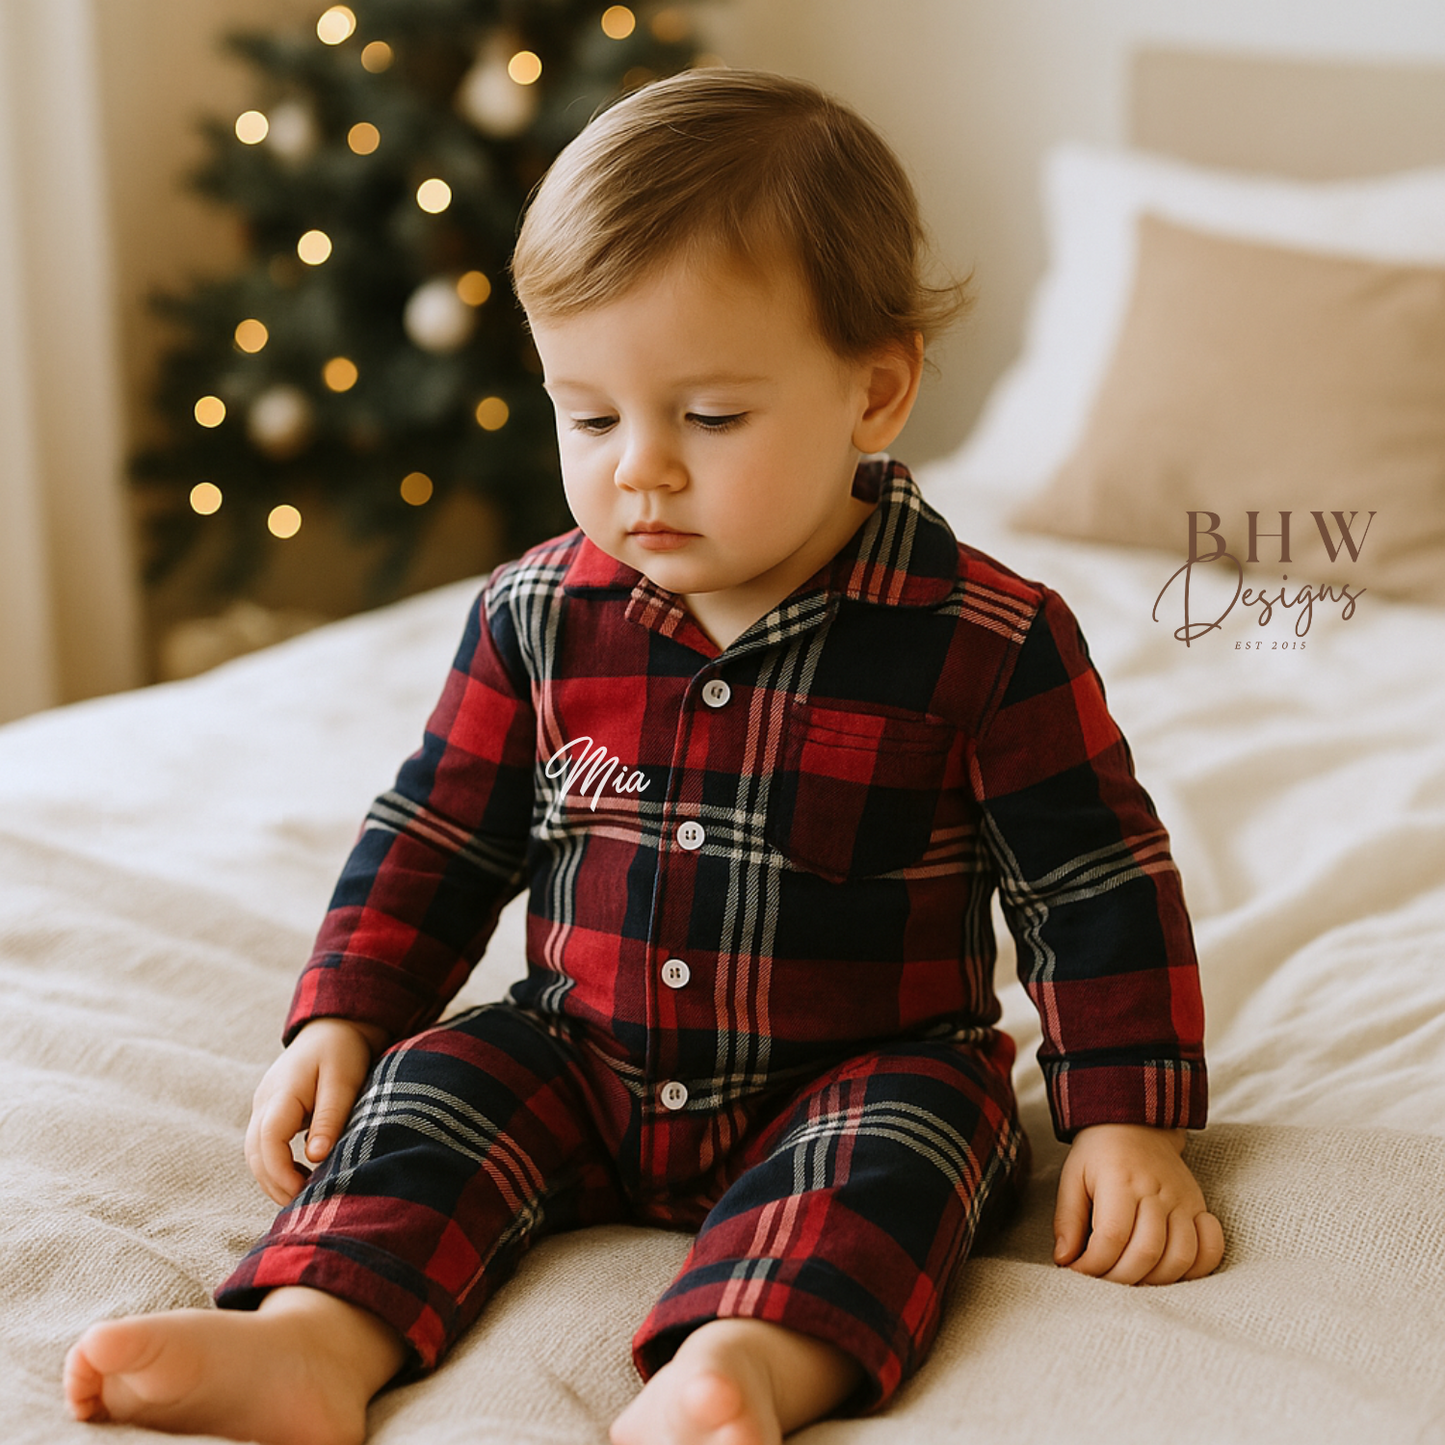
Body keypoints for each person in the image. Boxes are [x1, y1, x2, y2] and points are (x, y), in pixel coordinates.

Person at [64, 69, 1223, 1445]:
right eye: (592, 417)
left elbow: (1095, 889)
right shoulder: (539, 615)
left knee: (917, 1143)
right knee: (439, 1086)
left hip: (855, 1067)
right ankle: (314, 1341)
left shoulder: (987, 636)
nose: (641, 473)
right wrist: (343, 1017)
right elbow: (435, 833)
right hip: (583, 1058)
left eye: (710, 419)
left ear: (876, 389)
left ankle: (743, 1366)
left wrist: (1125, 1119)